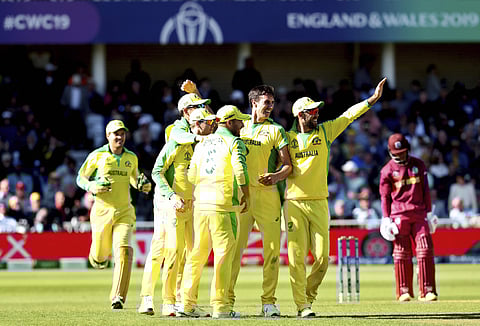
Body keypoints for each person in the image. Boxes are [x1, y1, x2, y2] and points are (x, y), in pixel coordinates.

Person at [284, 78, 386, 317]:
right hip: (294, 203)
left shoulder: (325, 131)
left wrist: (371, 100)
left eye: (317, 110)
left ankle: (308, 296)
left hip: (320, 201)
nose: (316, 114)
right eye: (312, 111)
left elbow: (349, 115)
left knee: (322, 258)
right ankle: (302, 305)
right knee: (296, 257)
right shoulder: (286, 139)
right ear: (300, 115)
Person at [137, 109, 216, 316]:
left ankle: (187, 302)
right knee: (171, 251)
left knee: (194, 255)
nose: (212, 126)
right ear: (197, 124)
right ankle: (166, 301)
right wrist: (172, 196)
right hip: (173, 205)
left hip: (194, 206)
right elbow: (156, 172)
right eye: (208, 123)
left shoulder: (205, 145)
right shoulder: (176, 142)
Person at [179, 105, 250, 319]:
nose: (243, 124)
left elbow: (191, 174)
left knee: (196, 256)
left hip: (201, 206)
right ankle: (221, 307)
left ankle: (187, 304)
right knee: (223, 258)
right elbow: (240, 169)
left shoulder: (202, 142)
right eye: (239, 121)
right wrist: (246, 194)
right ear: (229, 122)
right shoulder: (234, 142)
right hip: (224, 207)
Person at [228, 85, 292, 317]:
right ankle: (227, 302)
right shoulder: (238, 125)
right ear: (254, 103)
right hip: (242, 196)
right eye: (267, 102)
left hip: (267, 195)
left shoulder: (276, 130)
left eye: (273, 103)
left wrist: (274, 177)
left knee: (272, 251)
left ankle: (269, 303)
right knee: (234, 252)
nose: (270, 107)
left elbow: (288, 165)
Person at [76, 120, 152, 309]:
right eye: (115, 134)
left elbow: (135, 179)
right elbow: (81, 177)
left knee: (124, 250)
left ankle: (117, 296)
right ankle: (96, 256)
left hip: (125, 211)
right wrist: (92, 186)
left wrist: (143, 185)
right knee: (101, 256)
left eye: (122, 134)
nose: (119, 137)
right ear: (107, 136)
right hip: (102, 211)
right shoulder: (98, 155)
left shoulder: (131, 157)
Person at [379, 133, 438, 302]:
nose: (401, 156)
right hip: (398, 214)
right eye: (397, 154)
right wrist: (385, 218)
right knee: (401, 253)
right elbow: (385, 197)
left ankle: (428, 290)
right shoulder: (387, 171)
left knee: (425, 249)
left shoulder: (418, 164)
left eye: (403, 153)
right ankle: (403, 291)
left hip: (419, 212)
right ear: (390, 152)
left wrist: (429, 212)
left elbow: (426, 190)